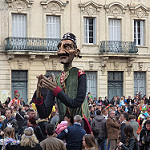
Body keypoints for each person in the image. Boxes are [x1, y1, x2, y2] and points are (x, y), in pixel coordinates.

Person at [32, 33, 90, 132]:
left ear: (76, 52)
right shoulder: (57, 79)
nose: (61, 51)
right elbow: (44, 114)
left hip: (80, 125)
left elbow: (75, 103)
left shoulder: (80, 74)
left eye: (67, 47)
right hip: (63, 126)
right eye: (59, 48)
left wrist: (56, 90)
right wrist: (38, 92)